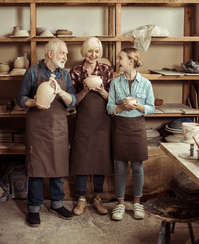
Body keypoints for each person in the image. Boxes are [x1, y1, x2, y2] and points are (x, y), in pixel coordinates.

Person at [16, 38, 77, 227]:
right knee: (36, 169)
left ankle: (57, 204)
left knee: (58, 167)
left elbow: (73, 101)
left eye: (66, 54)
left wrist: (60, 92)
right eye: (63, 53)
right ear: (51, 53)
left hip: (58, 127)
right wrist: (34, 103)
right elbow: (20, 98)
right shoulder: (33, 72)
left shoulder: (65, 75)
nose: (66, 57)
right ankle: (34, 208)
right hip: (38, 128)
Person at [106, 47, 155, 221]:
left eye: (120, 58)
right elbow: (109, 107)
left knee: (137, 167)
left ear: (131, 61)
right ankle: (120, 204)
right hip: (120, 126)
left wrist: (138, 107)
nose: (118, 61)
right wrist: (121, 107)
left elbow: (151, 108)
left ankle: (137, 203)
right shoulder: (114, 83)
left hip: (137, 126)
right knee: (119, 167)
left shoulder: (146, 83)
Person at [69, 37, 114, 216]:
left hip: (102, 120)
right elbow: (72, 101)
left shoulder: (106, 70)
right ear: (84, 52)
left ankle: (97, 198)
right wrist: (85, 91)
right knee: (82, 158)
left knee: (100, 158)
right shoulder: (75, 71)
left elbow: (114, 99)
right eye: (90, 51)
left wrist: (102, 91)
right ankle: (81, 199)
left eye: (96, 51)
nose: (93, 55)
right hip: (83, 120)